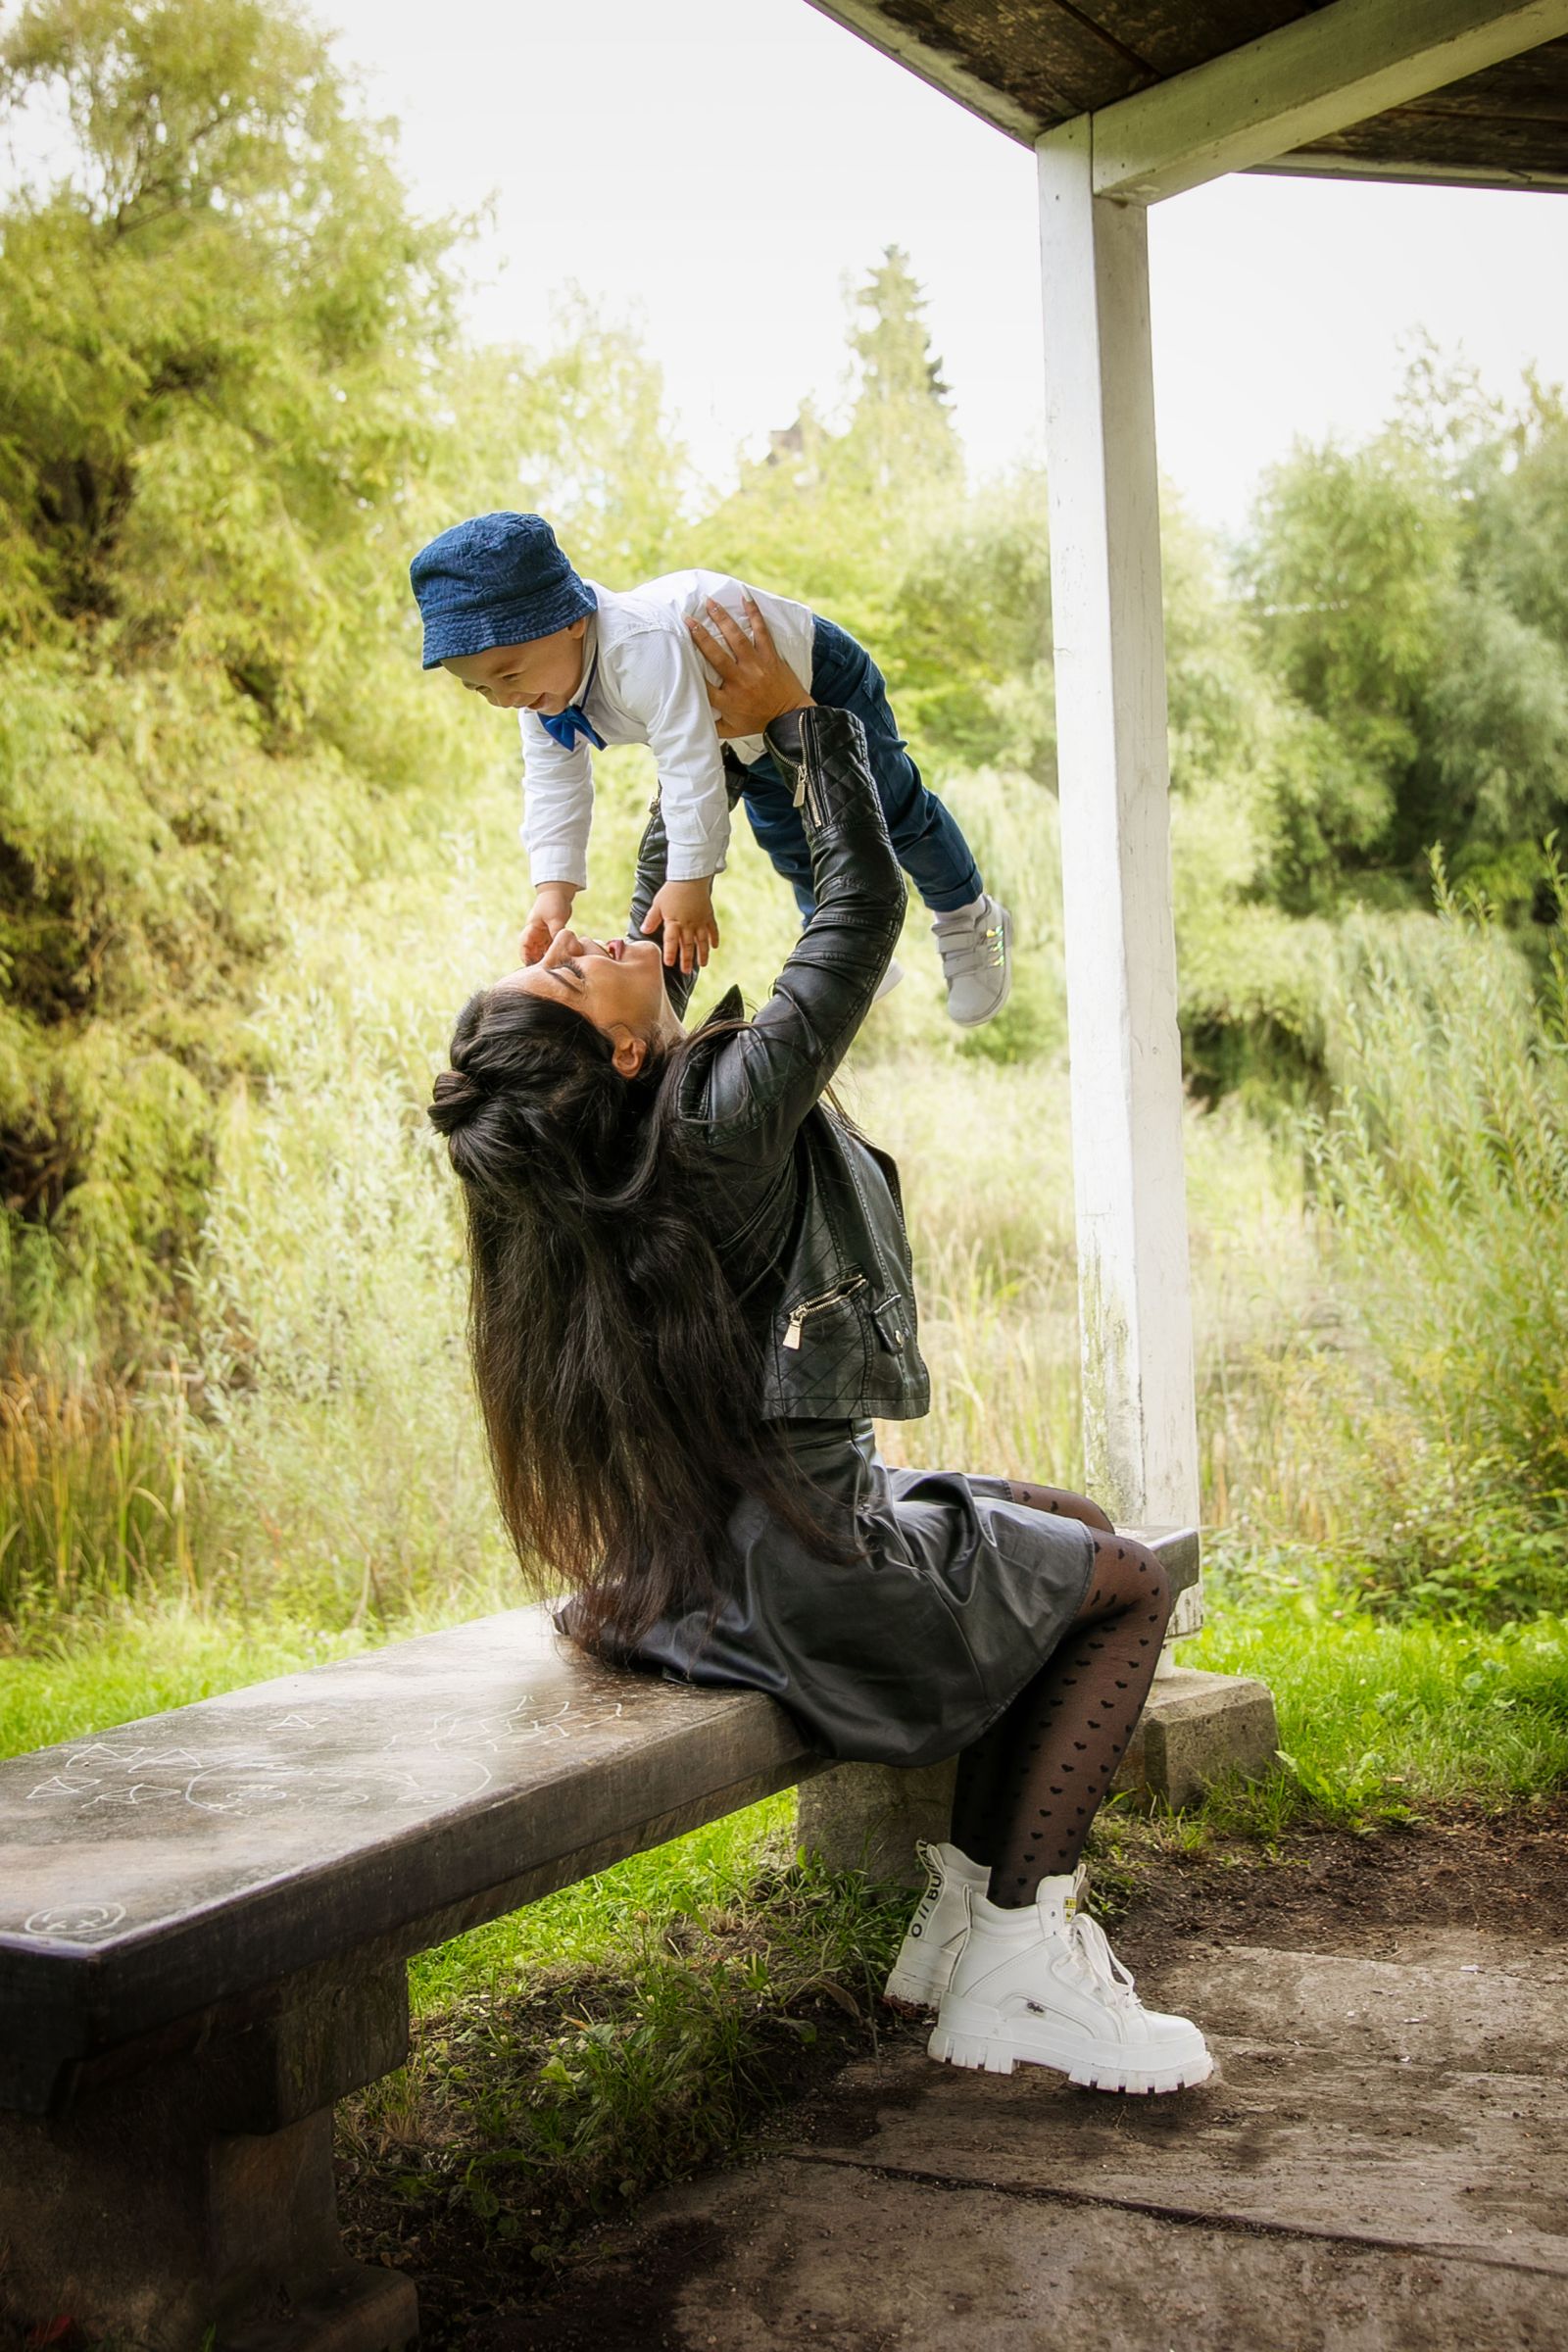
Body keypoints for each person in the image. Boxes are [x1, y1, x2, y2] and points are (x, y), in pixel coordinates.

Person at [426, 598, 1211, 2093]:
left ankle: (971, 1914)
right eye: (569, 968)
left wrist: (684, 770)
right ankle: (1020, 1965)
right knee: (1123, 1588)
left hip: (699, 1576)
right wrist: (799, 726)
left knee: (1075, 1531)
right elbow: (857, 921)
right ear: (623, 1051)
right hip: (807, 1584)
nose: (584, 935)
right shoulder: (715, 1127)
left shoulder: (616, 1161)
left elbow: (664, 900)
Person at [408, 511, 1012, 1025]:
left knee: (895, 810)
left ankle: (967, 914)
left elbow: (688, 762)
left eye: (508, 675)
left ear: (571, 620)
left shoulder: (633, 648)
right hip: (738, 731)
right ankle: (845, 946)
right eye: (480, 690)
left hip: (809, 674)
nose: (503, 697)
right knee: (786, 838)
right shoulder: (540, 695)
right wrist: (553, 891)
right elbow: (552, 788)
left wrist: (690, 880)